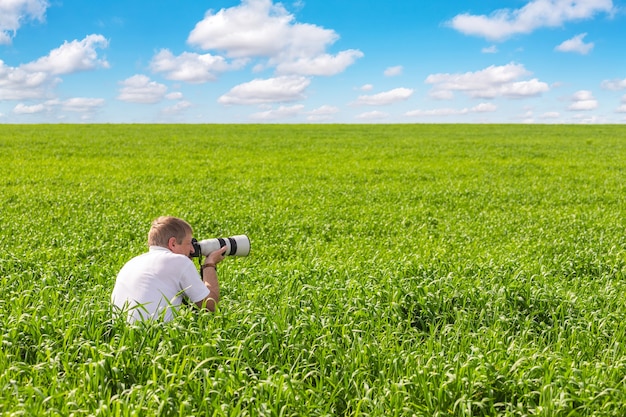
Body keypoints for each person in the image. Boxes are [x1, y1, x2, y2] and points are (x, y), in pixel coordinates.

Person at [111, 216, 227, 323]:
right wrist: (209, 264)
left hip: (121, 336)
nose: (192, 249)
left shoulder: (131, 263)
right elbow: (210, 306)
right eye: (189, 243)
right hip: (155, 339)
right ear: (173, 243)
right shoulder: (179, 261)